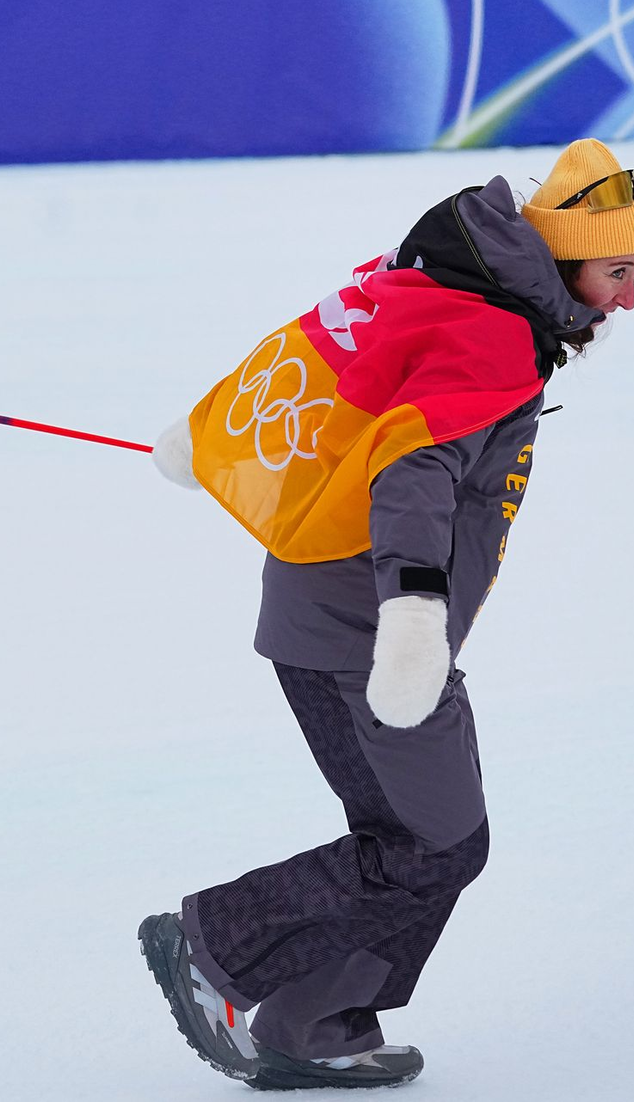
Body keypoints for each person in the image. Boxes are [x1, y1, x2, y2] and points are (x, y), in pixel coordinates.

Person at [138, 138, 633, 1091]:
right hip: (363, 629)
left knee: (420, 840)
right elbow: (412, 473)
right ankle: (219, 946)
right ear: (568, 252)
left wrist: (205, 434)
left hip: (338, 614)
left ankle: (312, 1018)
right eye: (617, 271)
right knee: (438, 843)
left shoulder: (456, 283)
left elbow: (316, 349)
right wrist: (411, 614)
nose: (625, 297)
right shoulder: (494, 333)